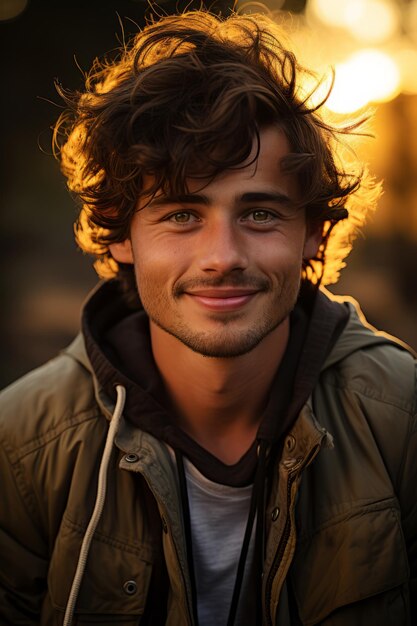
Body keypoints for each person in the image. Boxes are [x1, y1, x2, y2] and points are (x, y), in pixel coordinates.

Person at [0, 9, 416, 626]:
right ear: (120, 234)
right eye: (180, 214)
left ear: (312, 232)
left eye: (260, 214)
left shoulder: (402, 421)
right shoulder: (20, 449)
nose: (222, 257)